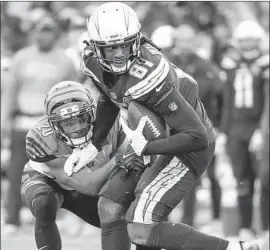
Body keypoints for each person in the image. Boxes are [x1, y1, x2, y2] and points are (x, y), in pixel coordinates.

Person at [64, 3, 259, 250]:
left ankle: (232, 248)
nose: (119, 53)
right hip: (148, 140)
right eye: (110, 47)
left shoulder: (150, 74)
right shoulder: (92, 61)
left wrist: (146, 147)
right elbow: (109, 97)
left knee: (141, 225)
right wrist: (92, 145)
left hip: (185, 146)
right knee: (110, 207)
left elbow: (196, 136)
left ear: (135, 40)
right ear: (94, 46)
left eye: (124, 44)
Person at [22, 81, 145, 250]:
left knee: (127, 217)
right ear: (53, 125)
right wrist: (117, 161)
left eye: (82, 118)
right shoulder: (42, 138)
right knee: (44, 203)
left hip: (96, 176)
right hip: (49, 180)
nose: (77, 128)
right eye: (68, 123)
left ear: (93, 113)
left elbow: (126, 160)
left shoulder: (112, 123)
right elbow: (89, 186)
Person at [1, 15, 78, 235]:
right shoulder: (21, 57)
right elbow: (10, 91)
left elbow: (72, 93)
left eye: (48, 30)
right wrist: (3, 120)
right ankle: (12, 219)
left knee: (59, 172)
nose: (44, 34)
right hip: (23, 120)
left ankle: (60, 216)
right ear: (34, 32)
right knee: (16, 172)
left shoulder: (64, 60)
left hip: (51, 126)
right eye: (40, 30)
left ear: (55, 34)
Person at [218, 20, 269, 240]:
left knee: (265, 180)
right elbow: (227, 102)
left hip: (259, 129)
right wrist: (223, 131)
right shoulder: (230, 65)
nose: (248, 45)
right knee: (241, 181)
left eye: (251, 41)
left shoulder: (265, 64)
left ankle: (266, 227)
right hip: (236, 129)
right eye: (244, 41)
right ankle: (245, 226)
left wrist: (262, 130)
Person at [170, 24, 223, 233]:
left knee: (210, 173)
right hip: (175, 128)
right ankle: (181, 219)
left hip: (204, 126)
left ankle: (215, 215)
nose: (184, 45)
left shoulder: (205, 66)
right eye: (180, 40)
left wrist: (218, 124)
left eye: (188, 40)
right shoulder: (166, 63)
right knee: (182, 174)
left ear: (195, 42)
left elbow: (219, 94)